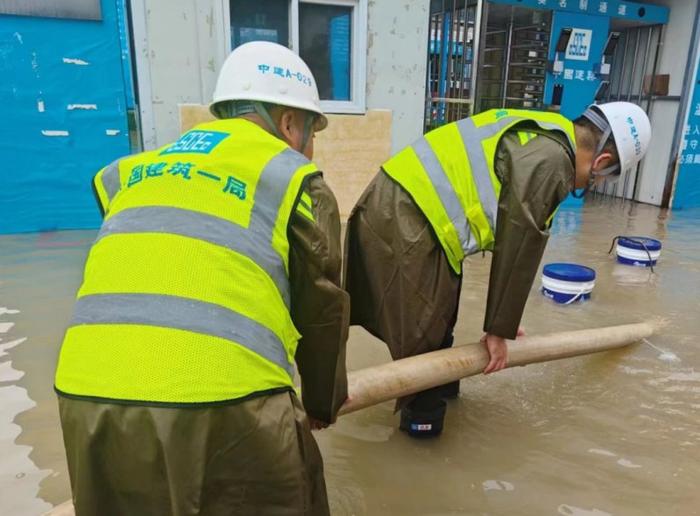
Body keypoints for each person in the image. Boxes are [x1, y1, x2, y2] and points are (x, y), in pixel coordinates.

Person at [54, 41, 349, 515]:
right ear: (290, 123)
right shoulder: (292, 178)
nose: (311, 147)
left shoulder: (131, 172)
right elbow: (322, 311)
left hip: (84, 400)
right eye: (313, 130)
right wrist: (321, 403)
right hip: (224, 402)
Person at [344, 103, 651, 438]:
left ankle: (443, 413)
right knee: (426, 341)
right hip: (406, 215)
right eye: (597, 179)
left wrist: (504, 319)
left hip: (408, 211)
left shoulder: (546, 131)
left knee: (441, 326)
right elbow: (521, 237)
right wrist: (498, 330)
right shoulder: (553, 160)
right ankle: (421, 443)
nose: (588, 184)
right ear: (602, 162)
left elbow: (513, 239)